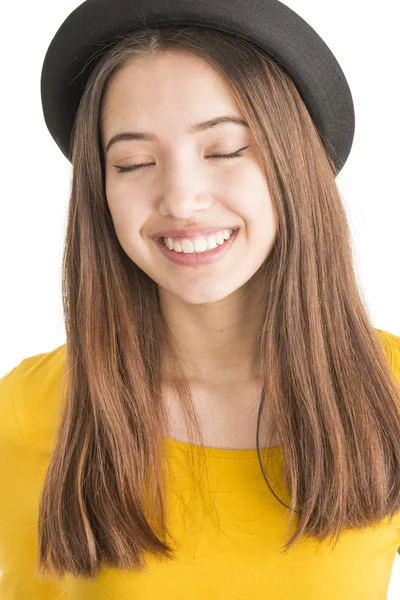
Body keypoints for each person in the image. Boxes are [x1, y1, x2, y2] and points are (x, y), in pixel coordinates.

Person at [1, 1, 400, 598]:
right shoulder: (26, 411)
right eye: (134, 162)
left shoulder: (389, 393)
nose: (181, 199)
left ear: (294, 167)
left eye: (225, 151)